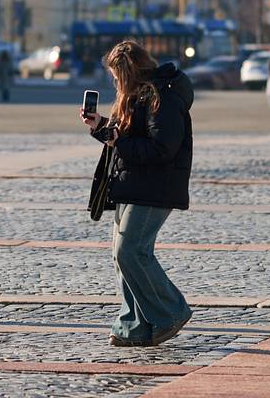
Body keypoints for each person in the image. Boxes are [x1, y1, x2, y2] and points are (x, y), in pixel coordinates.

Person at [80, 39, 193, 347]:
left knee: (130, 251)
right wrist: (101, 126)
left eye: (116, 75)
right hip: (132, 184)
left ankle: (172, 311)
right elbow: (128, 136)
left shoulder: (161, 97)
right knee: (123, 257)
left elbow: (161, 148)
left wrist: (119, 143)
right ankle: (135, 324)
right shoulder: (137, 96)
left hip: (155, 188)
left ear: (128, 72)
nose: (114, 81)